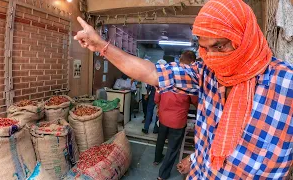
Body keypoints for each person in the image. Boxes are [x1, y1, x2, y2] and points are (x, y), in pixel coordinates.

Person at [73, 0, 293, 178]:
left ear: (246, 38)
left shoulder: (286, 84)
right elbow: (150, 73)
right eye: (205, 49)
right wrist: (101, 46)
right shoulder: (207, 73)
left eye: (220, 46)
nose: (213, 58)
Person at [154, 51, 199, 180]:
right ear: (193, 63)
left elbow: (157, 98)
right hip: (177, 122)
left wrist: (161, 105)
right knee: (172, 148)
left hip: (163, 117)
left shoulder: (166, 76)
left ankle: (157, 159)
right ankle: (162, 175)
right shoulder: (189, 79)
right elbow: (196, 102)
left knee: (161, 139)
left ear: (180, 59)